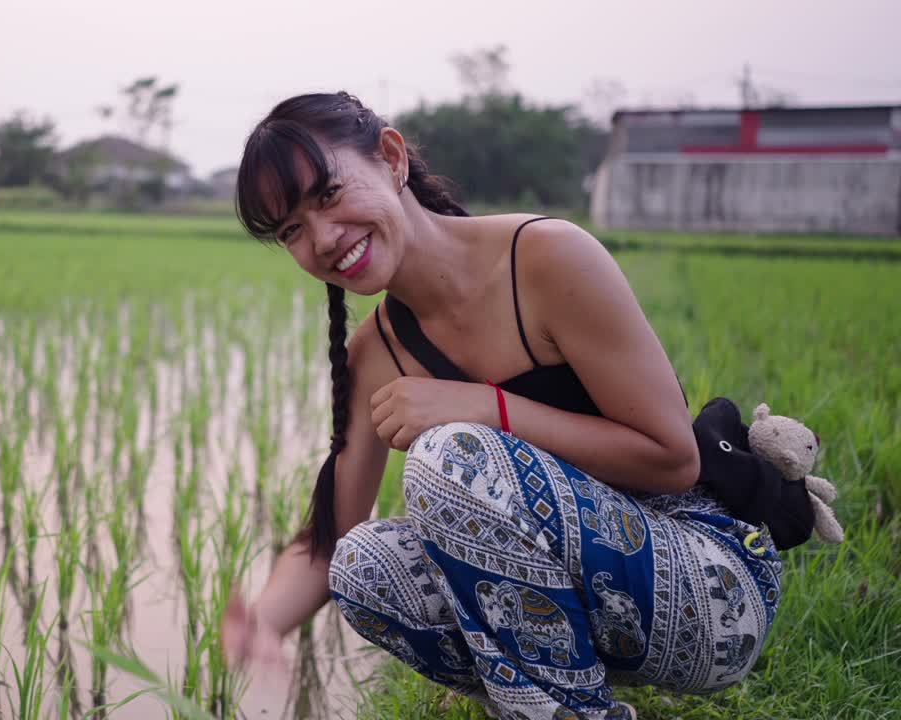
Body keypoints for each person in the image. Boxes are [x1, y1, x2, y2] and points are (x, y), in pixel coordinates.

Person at [220, 92, 783, 720]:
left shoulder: (546, 258)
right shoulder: (374, 354)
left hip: (710, 589)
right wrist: (262, 623)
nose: (323, 239)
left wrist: (485, 407)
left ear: (391, 156)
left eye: (328, 195)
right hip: (601, 609)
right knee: (364, 567)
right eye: (292, 230)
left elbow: (673, 459)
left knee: (447, 456)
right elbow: (332, 539)